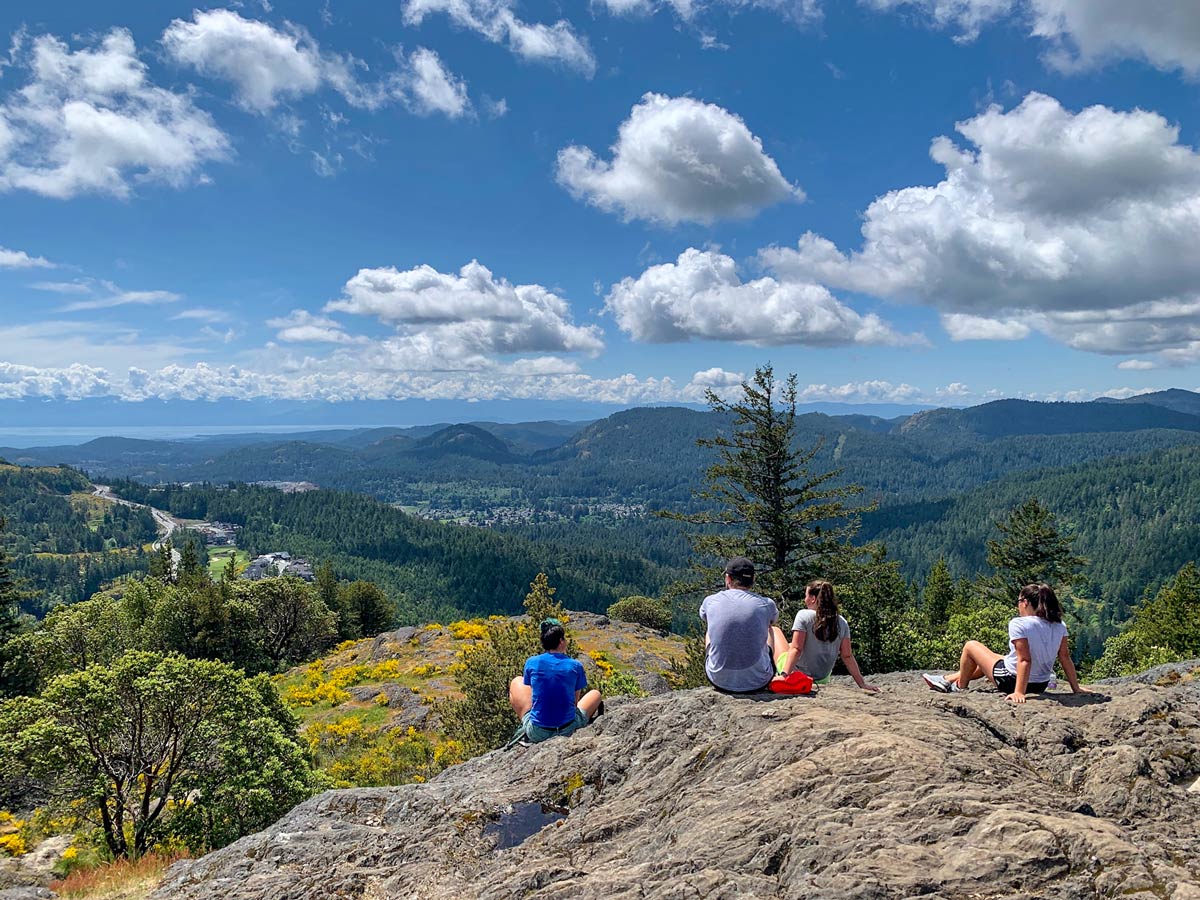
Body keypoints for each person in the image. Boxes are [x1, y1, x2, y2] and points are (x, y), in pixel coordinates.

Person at [922, 583, 1090, 704]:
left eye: (1018, 602)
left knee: (971, 646)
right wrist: (1076, 688)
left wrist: (1018, 692)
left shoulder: (1019, 623)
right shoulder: (1059, 625)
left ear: (1025, 602)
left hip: (1010, 680)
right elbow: (1065, 658)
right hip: (1041, 684)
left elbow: (1025, 660)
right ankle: (947, 679)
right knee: (996, 659)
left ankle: (959, 687)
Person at [699, 557, 789, 693]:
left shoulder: (710, 601)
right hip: (758, 681)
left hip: (718, 679)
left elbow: (704, 616)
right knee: (771, 628)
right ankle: (781, 674)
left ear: (728, 579)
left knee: (710, 629)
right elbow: (773, 620)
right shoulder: (766, 604)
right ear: (753, 580)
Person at [508, 618, 603, 743]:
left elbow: (532, 693)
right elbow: (574, 704)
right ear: (561, 641)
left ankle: (529, 724)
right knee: (595, 694)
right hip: (568, 729)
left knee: (516, 681)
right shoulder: (575, 665)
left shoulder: (531, 662)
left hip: (537, 733)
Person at [778, 580, 879, 692]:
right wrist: (862, 684)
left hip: (799, 675)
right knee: (791, 644)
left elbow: (797, 649)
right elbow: (847, 656)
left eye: (806, 596)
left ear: (813, 599)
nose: (804, 599)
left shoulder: (803, 615)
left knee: (774, 630)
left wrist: (784, 676)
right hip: (822, 678)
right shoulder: (841, 622)